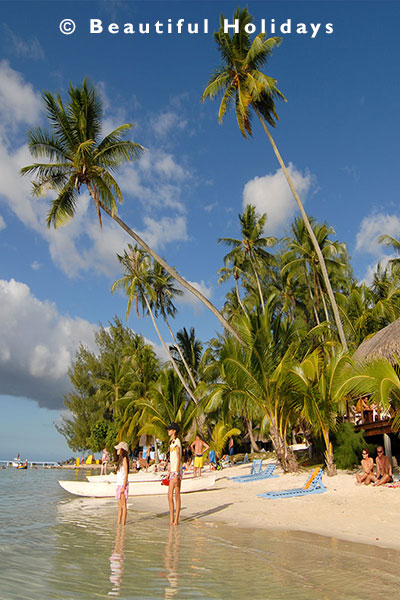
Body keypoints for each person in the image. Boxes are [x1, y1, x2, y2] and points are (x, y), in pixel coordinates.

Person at [167, 423, 182, 526]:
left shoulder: (177, 442)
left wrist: (176, 473)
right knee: (169, 495)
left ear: (174, 431)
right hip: (172, 470)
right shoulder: (171, 442)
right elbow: (172, 459)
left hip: (177, 471)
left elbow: (178, 457)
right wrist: (169, 471)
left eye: (170, 429)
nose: (168, 431)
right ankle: (172, 519)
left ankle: (175, 520)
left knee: (175, 494)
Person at [115, 441, 129, 525]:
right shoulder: (120, 460)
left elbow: (126, 473)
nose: (117, 450)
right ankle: (118, 522)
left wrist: (124, 486)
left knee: (123, 505)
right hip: (119, 484)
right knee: (119, 506)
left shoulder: (124, 460)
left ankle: (123, 523)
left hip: (123, 485)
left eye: (119, 448)